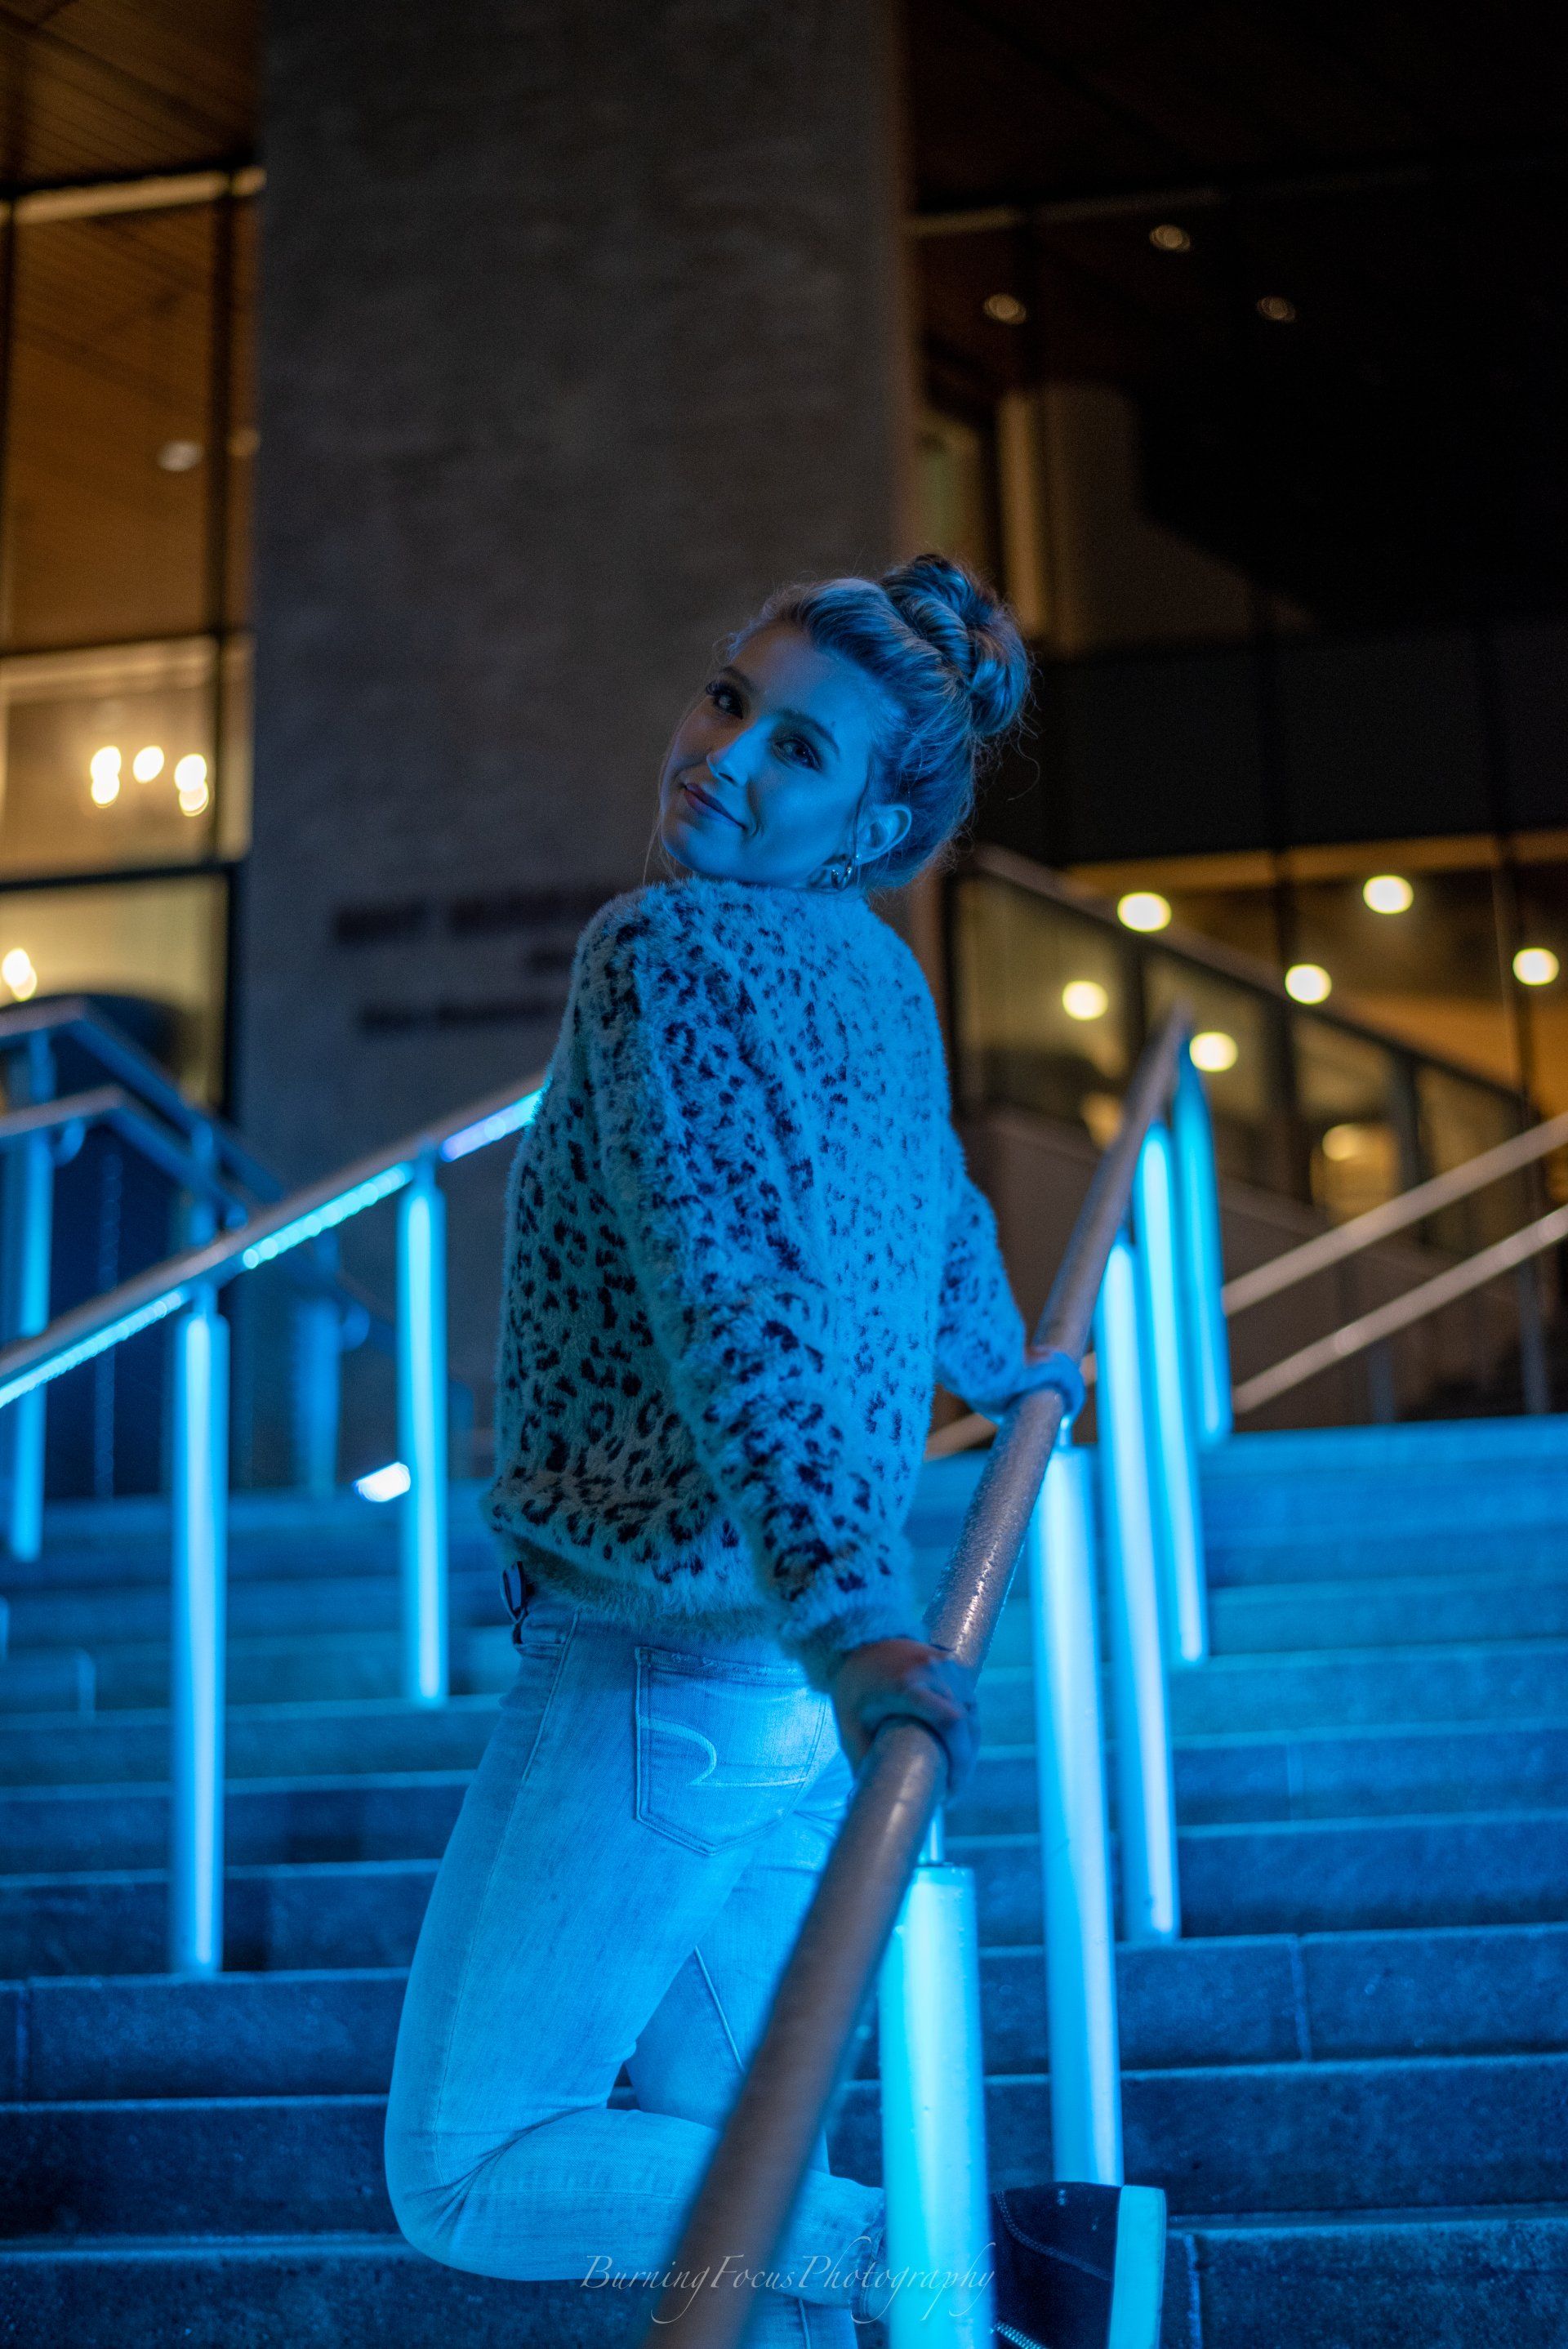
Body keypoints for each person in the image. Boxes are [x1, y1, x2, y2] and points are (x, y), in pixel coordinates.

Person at [383, 554, 1166, 2347]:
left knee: (471, 2161)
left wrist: (850, 1617)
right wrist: (1020, 1366)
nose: (721, 755)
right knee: (726, 2171)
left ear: (878, 812)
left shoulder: (659, 953)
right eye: (729, 698)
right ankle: (965, 2272)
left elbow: (740, 1306)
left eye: (795, 745)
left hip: (678, 1655)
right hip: (781, 1673)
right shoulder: (869, 973)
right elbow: (939, 1212)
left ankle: (991, 2260)